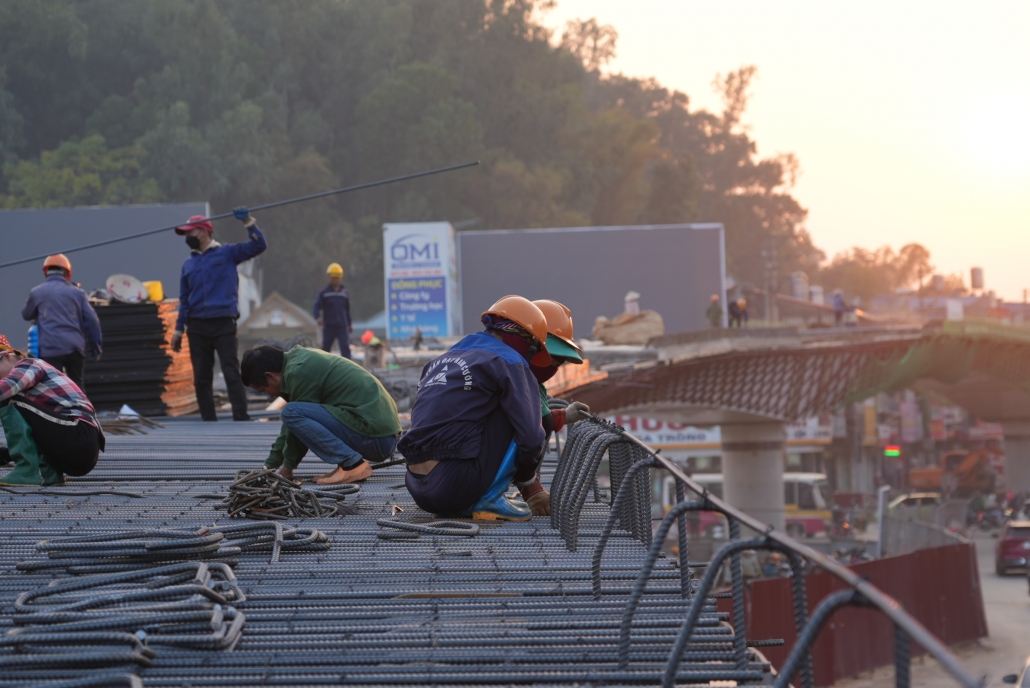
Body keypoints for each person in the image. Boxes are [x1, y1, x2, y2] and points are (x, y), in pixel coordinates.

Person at [398, 295, 550, 521]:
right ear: (526, 340)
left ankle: (479, 495)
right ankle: (490, 498)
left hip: (416, 486)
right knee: (520, 408)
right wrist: (528, 481)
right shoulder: (509, 362)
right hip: (455, 484)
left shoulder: (440, 360)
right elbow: (531, 437)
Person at [240, 344, 401, 484]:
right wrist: (271, 465)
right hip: (379, 435)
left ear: (270, 376)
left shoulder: (299, 372)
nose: (270, 396)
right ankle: (346, 465)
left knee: (291, 412)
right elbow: (291, 428)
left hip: (377, 440)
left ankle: (352, 465)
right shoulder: (298, 361)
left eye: (263, 390)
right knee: (292, 412)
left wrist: (287, 468)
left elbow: (295, 424)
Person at [171, 207, 267, 421]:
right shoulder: (188, 264)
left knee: (232, 372)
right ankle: (208, 420)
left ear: (203, 232)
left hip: (223, 323)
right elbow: (184, 300)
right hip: (197, 327)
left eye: (190, 232)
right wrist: (178, 330)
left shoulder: (228, 253)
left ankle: (241, 418)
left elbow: (259, 245)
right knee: (201, 378)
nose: (187, 237)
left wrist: (249, 222)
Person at [0, 334, 105, 486]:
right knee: (23, 408)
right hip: (78, 446)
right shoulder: (30, 391)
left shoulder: (29, 364)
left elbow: (8, 385)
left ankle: (26, 471)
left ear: (8, 357)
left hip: (78, 433)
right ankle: (52, 474)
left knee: (9, 399)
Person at [521, 299, 591, 515]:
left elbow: (536, 417)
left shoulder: (527, 379)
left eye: (558, 362)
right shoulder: (512, 377)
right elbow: (536, 423)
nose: (553, 367)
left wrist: (564, 415)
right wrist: (533, 489)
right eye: (551, 358)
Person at [21, 254, 102, 391]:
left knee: (53, 388)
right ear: (68, 273)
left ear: (45, 271)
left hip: (50, 349)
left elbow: (26, 314)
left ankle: (57, 413)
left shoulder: (37, 292)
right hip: (75, 348)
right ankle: (80, 411)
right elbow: (92, 320)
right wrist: (96, 346)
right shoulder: (78, 293)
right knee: (77, 387)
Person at [313, 263, 353, 358]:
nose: (335, 280)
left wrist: (350, 324)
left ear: (340, 278)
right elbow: (316, 306)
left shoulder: (344, 292)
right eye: (333, 278)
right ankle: (323, 368)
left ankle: (347, 370)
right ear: (329, 278)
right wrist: (317, 317)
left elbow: (347, 309)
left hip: (342, 326)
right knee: (326, 349)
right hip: (329, 327)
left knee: (345, 348)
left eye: (337, 277)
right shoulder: (324, 293)